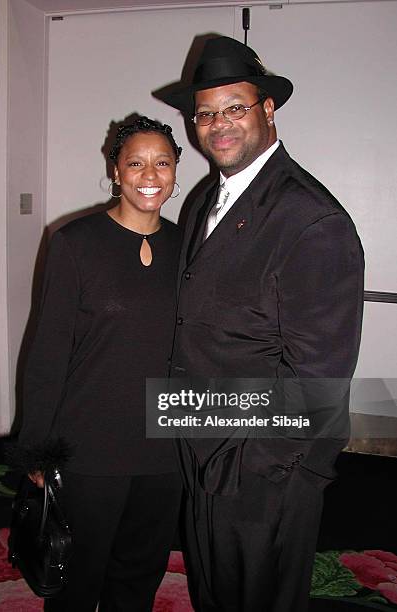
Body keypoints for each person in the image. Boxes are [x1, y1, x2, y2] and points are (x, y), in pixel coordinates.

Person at [156, 36, 364, 611]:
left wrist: (248, 463)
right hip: (203, 435)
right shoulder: (204, 199)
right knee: (214, 588)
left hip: (263, 463)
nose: (219, 124)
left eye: (235, 108)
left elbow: (319, 378)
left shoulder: (310, 219)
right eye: (206, 113)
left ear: (267, 110)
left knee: (259, 597)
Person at [15, 116, 184, 612]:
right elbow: (47, 351)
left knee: (141, 571)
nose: (149, 174)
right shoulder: (75, 243)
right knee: (76, 575)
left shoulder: (188, 246)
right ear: (115, 171)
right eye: (135, 162)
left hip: (164, 444)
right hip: (90, 443)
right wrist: (37, 452)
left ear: (176, 171)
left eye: (162, 163)